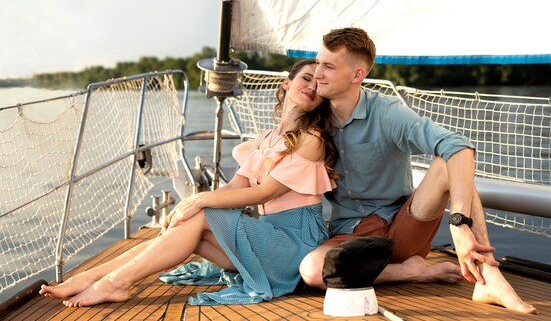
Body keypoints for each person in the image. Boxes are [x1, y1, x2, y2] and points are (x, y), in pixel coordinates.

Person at [40, 59, 337, 307]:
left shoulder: (311, 139)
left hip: (296, 245)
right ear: (287, 83)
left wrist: (199, 200)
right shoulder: (265, 139)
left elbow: (263, 192)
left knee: (201, 212)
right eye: (306, 78)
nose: (312, 86)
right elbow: (235, 187)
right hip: (270, 239)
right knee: (191, 224)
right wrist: (190, 205)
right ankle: (95, 278)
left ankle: (115, 282)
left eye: (318, 85)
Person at [299, 27, 538, 315]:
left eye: (327, 66)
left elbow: (458, 146)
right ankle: (409, 271)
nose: (318, 73)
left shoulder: (387, 113)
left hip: (404, 228)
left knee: (447, 163)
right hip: (351, 239)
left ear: (357, 75)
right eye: (317, 64)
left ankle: (489, 278)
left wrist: (459, 221)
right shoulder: (312, 117)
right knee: (313, 271)